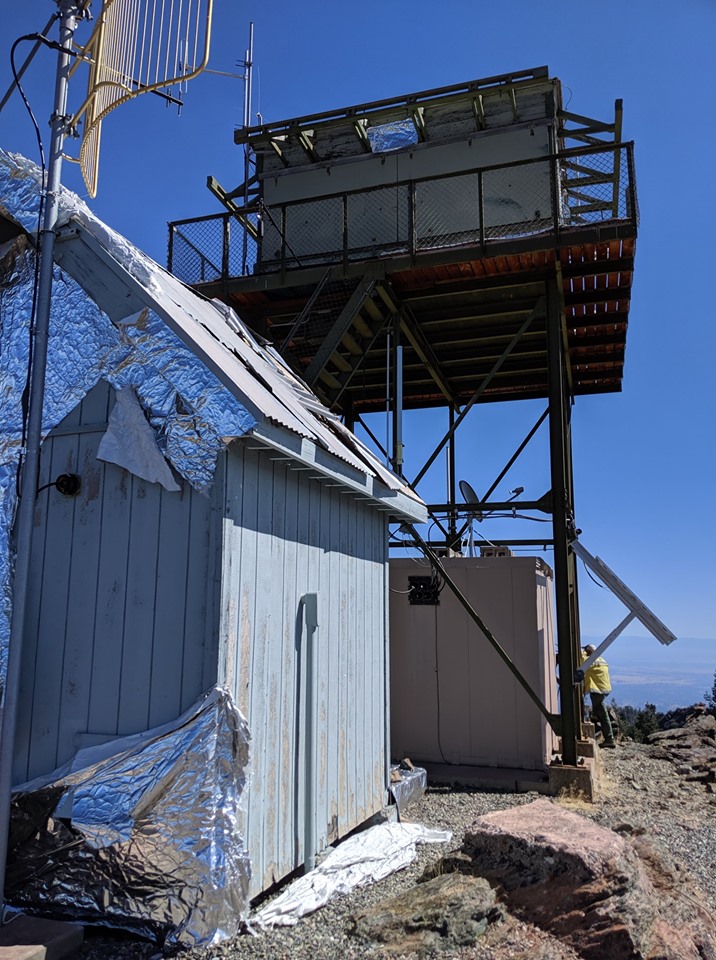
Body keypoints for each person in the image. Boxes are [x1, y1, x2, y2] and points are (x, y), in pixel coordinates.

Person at [582, 645, 616, 748]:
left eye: (587, 651)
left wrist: (582, 651)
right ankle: (604, 736)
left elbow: (581, 659)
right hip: (603, 689)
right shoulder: (601, 660)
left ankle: (609, 739)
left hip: (597, 690)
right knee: (598, 712)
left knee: (602, 714)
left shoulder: (590, 660)